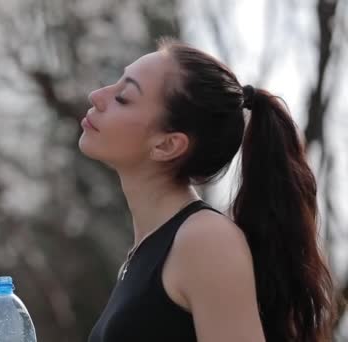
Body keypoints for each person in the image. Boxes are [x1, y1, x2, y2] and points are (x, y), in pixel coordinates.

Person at [79, 38, 338, 342]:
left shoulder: (204, 240)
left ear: (167, 144)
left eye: (123, 97)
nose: (97, 95)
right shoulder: (148, 250)